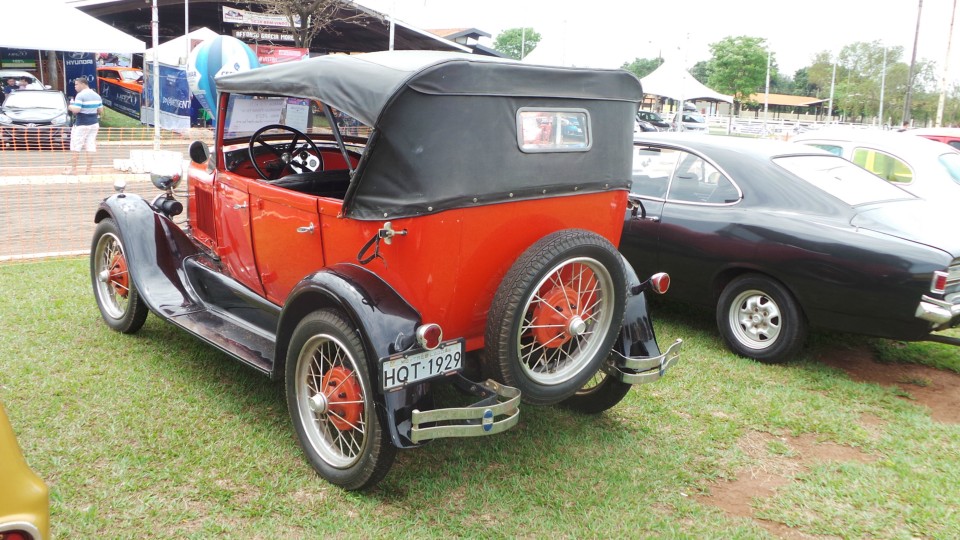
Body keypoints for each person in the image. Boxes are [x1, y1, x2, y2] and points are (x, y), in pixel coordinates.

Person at [66, 77, 103, 175]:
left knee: (75, 146)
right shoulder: (97, 95)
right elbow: (100, 110)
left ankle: (73, 170)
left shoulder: (80, 95)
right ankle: (89, 170)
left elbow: (76, 110)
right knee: (90, 145)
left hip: (81, 123)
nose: (75, 87)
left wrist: (70, 106)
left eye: (76, 84)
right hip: (94, 123)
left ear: (83, 84)